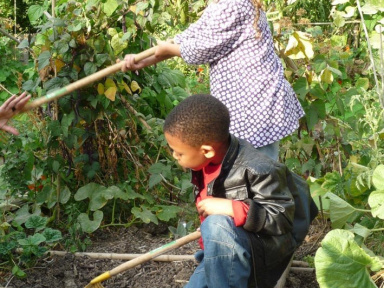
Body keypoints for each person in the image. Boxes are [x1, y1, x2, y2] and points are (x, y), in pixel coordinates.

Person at [163, 94, 317, 288]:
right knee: (215, 228)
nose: (175, 157)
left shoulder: (258, 168)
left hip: (261, 253)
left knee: (217, 224)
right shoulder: (203, 163)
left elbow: (281, 219)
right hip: (224, 253)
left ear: (207, 150)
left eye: (179, 153)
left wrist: (231, 209)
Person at [121, 0, 304, 161]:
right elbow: (188, 38)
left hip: (256, 103)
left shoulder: (233, 4)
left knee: (259, 170)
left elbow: (200, 49)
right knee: (244, 167)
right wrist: (142, 60)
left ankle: (257, 200)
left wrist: (165, 49)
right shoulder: (219, 5)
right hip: (246, 101)